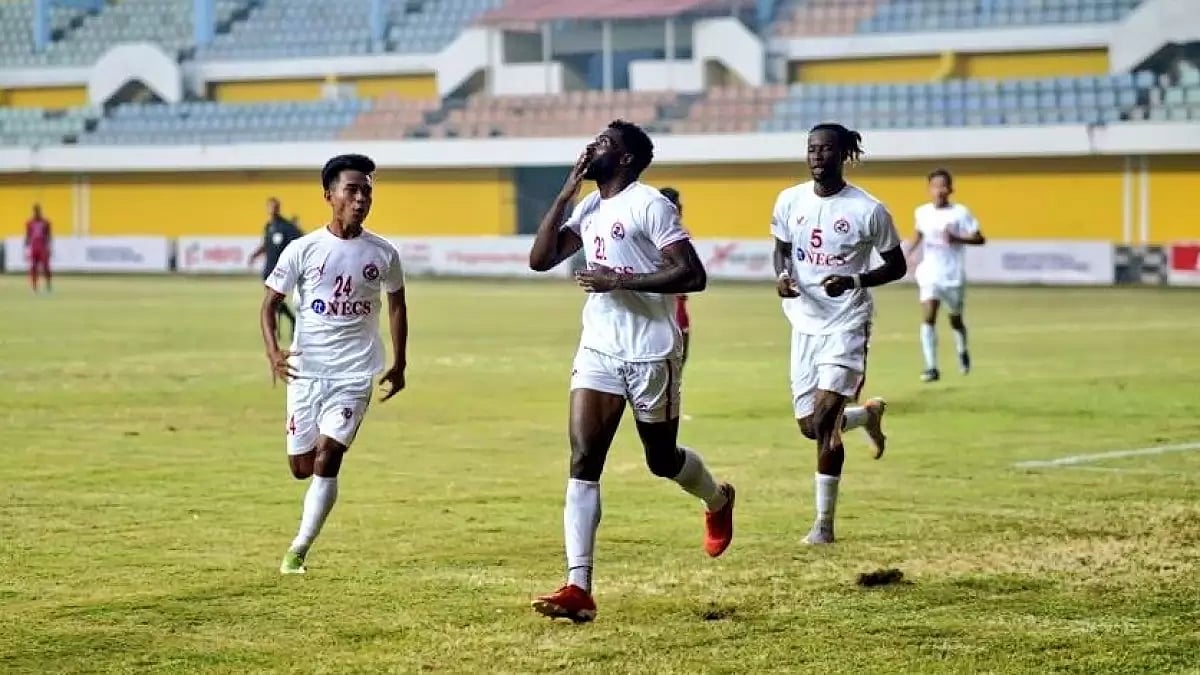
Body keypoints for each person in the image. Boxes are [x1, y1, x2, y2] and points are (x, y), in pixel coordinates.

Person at [528, 120, 735, 623]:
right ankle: (579, 587)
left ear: (623, 159)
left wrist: (618, 278)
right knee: (583, 457)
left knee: (661, 460)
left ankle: (717, 497)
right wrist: (567, 188)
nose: (592, 146)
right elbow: (540, 259)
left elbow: (694, 274)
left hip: (651, 351)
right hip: (599, 347)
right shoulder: (590, 206)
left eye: (604, 144)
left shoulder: (650, 204)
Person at [260, 154, 408, 575]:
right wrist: (273, 352)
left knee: (328, 456)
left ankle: (298, 550)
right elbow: (269, 305)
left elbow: (396, 306)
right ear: (330, 196)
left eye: (367, 191)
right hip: (306, 373)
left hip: (354, 374)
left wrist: (399, 363)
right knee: (300, 467)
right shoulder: (302, 250)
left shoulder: (383, 253)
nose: (361, 199)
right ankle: (304, 526)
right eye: (352, 190)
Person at [770, 123, 907, 545]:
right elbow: (782, 246)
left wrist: (854, 281)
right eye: (811, 148)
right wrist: (782, 274)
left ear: (843, 155)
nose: (817, 156)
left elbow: (897, 265)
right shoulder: (789, 199)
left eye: (826, 150)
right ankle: (867, 416)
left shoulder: (869, 210)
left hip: (846, 322)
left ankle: (823, 526)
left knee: (826, 421)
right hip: (803, 322)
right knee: (809, 426)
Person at [907, 169, 986, 382]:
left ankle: (962, 350)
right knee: (929, 316)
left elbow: (980, 239)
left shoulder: (960, 213)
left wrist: (958, 238)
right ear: (929, 189)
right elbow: (918, 234)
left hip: (953, 275)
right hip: (930, 272)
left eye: (943, 185)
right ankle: (931, 367)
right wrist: (907, 253)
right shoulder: (922, 212)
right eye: (935, 185)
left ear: (950, 189)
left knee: (955, 320)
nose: (939, 190)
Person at [250, 197, 305, 339]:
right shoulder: (268, 226)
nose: (272, 209)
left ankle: (284, 325)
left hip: (281, 270)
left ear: (278, 208)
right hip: (268, 268)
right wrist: (255, 255)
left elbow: (300, 241)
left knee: (272, 301)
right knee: (273, 302)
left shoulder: (286, 227)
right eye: (270, 207)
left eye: (274, 207)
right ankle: (288, 322)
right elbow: (265, 244)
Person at [658, 187, 691, 368]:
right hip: (665, 309)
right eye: (677, 203)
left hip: (679, 306)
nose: (681, 207)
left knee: (677, 365)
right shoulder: (661, 238)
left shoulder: (680, 233)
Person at [25, 204, 52, 293]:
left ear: (40, 211)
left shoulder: (46, 222)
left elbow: (49, 236)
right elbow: (27, 236)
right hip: (34, 248)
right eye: (35, 211)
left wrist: (49, 247)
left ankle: (48, 286)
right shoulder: (29, 223)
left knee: (46, 267)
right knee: (33, 268)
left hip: (43, 247)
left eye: (38, 211)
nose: (36, 213)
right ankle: (34, 287)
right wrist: (26, 249)